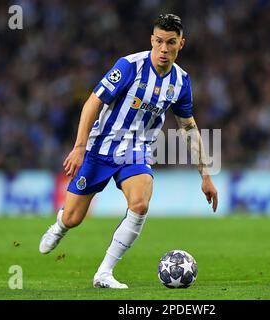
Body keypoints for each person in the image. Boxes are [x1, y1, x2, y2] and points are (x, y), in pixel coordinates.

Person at [39, 13, 218, 289]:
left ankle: (104, 273)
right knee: (74, 218)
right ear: (151, 40)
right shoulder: (129, 66)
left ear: (181, 44)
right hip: (100, 147)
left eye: (171, 42)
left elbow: (189, 128)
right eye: (158, 41)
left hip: (137, 151)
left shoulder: (182, 82)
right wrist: (79, 147)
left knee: (140, 204)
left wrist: (205, 175)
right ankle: (61, 224)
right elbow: (92, 103)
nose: (163, 49)